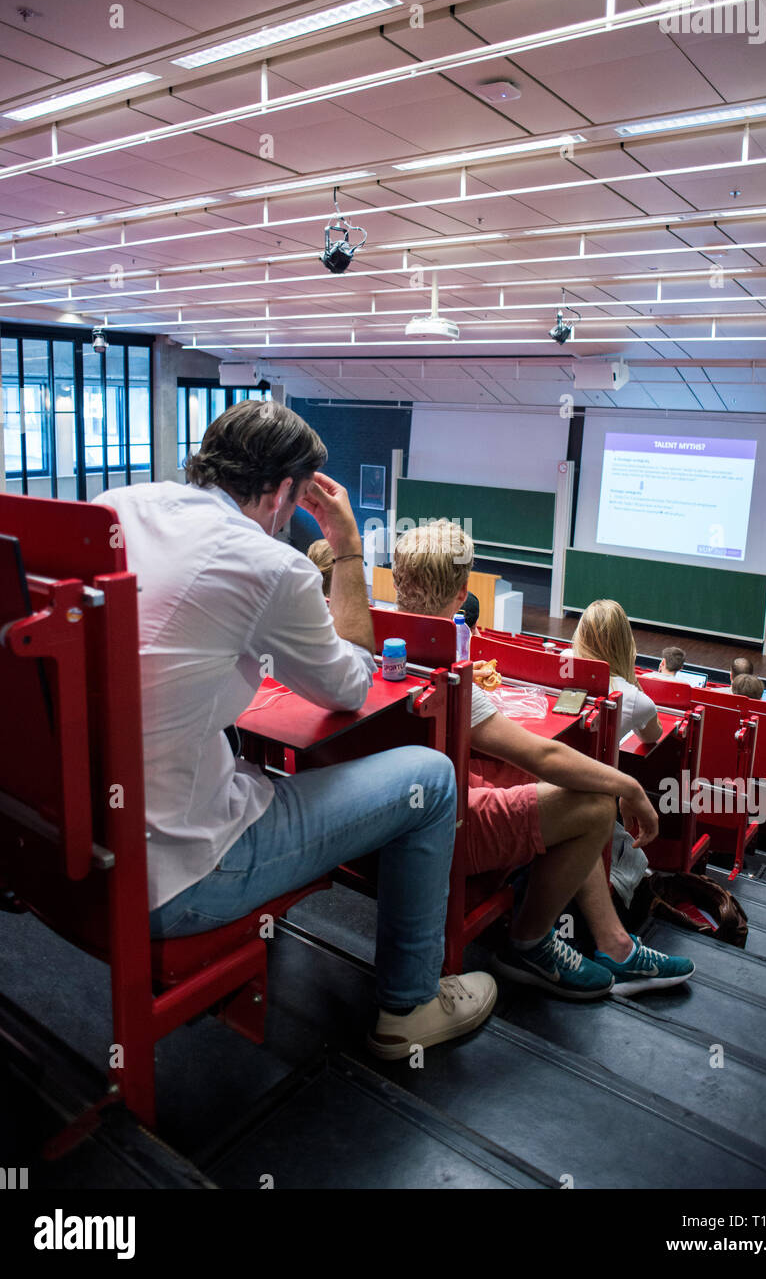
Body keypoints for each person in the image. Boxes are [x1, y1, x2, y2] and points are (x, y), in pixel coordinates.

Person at [95, 402, 496, 1061]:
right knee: (432, 777)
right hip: (176, 879)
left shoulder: (118, 505)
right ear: (287, 491)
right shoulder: (267, 562)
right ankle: (410, 1006)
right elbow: (346, 687)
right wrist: (346, 547)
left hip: (84, 848)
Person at [393, 523, 695, 999]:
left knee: (554, 775)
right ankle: (528, 944)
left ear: (397, 580)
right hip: (434, 827)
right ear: (461, 593)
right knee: (594, 802)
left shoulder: (367, 640)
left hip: (396, 811)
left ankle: (613, 943)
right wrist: (629, 788)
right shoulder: (444, 668)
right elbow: (546, 752)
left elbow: (543, 762)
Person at [572, 601, 663, 746]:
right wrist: (631, 676)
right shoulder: (635, 699)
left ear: (581, 634)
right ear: (625, 641)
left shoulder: (562, 665)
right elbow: (652, 736)